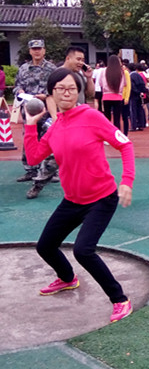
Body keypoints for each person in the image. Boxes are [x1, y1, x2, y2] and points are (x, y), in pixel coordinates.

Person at [23, 67, 135, 323]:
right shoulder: (54, 127)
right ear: (51, 93)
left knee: (83, 250)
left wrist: (127, 181)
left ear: (78, 92)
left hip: (101, 199)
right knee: (45, 246)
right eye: (60, 88)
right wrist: (30, 125)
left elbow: (125, 145)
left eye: (71, 88)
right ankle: (67, 278)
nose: (66, 93)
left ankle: (120, 299)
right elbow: (34, 157)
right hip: (72, 200)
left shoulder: (92, 116)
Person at [13, 39, 57, 199]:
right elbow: (17, 86)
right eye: (34, 49)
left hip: (46, 110)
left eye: (39, 48)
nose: (37, 51)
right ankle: (30, 170)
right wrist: (19, 91)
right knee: (28, 139)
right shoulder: (23, 69)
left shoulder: (52, 69)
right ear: (30, 51)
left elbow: (56, 88)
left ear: (44, 50)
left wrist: (45, 96)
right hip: (29, 111)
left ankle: (50, 171)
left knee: (49, 140)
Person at [99, 55, 125, 131]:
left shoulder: (103, 71)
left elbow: (100, 83)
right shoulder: (121, 72)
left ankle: (106, 134)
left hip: (106, 96)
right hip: (118, 96)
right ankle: (117, 134)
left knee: (107, 118)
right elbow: (124, 84)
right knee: (117, 119)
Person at [128, 63, 147, 131]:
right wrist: (141, 91)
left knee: (133, 110)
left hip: (133, 95)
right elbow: (142, 84)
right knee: (140, 109)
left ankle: (134, 126)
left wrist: (137, 91)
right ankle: (141, 124)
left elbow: (132, 86)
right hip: (139, 94)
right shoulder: (138, 75)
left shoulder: (130, 75)